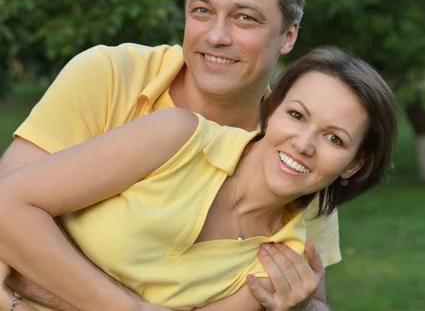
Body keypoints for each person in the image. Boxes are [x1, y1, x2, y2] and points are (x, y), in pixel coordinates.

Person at [0, 0, 337, 310]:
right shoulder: (110, 75)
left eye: (245, 18)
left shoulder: (294, 156)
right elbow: (5, 224)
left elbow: (312, 297)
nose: (217, 36)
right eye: (202, 11)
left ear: (288, 36)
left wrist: (301, 306)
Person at [0, 46, 398, 311]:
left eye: (334, 138)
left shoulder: (281, 265)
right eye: (296, 115)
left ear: (354, 164)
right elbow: (7, 204)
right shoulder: (178, 135)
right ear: (272, 109)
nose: (304, 144)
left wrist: (28, 276)